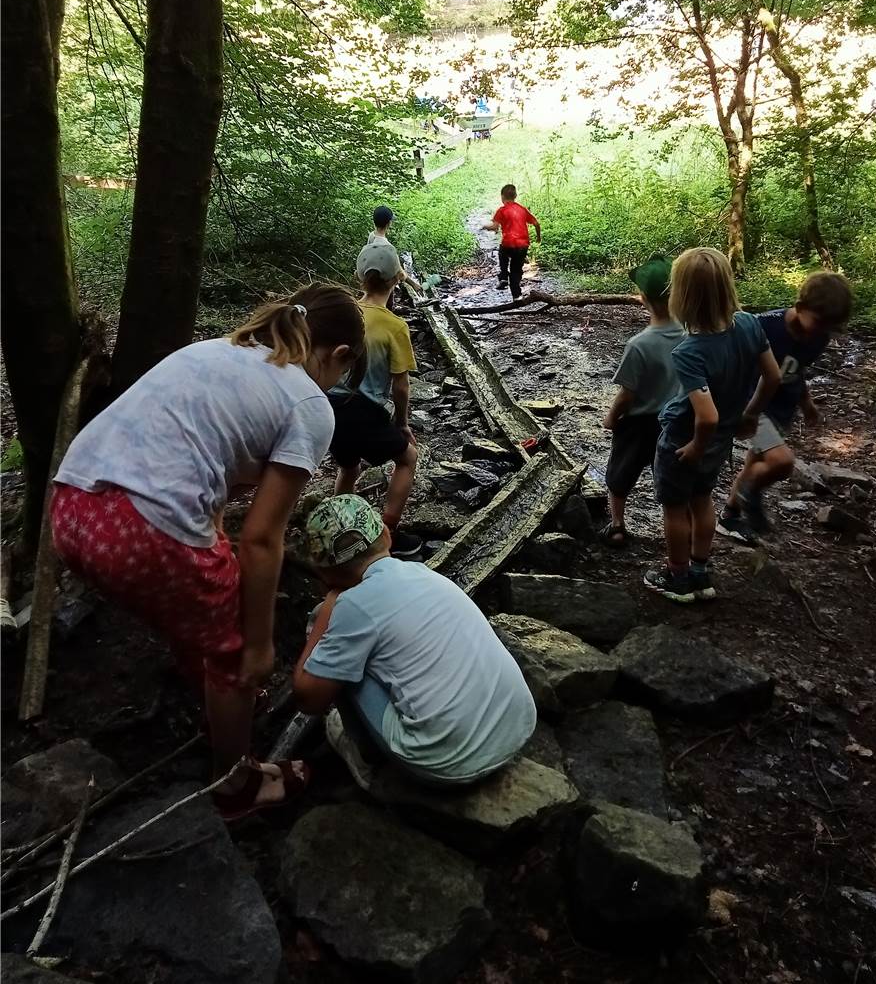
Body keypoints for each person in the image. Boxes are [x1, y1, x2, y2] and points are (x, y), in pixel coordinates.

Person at [50, 285, 366, 820]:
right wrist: (260, 648)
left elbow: (207, 477)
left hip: (72, 507)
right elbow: (263, 540)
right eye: (342, 372)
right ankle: (235, 786)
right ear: (338, 356)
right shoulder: (311, 405)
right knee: (236, 649)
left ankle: (209, 689)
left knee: (205, 580)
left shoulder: (218, 350)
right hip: (145, 535)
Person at [292, 495, 537, 788]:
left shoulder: (351, 606)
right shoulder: (422, 573)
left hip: (447, 761)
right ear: (386, 536)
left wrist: (328, 611)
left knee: (334, 647)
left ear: (322, 572)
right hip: (519, 723)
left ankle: (365, 757)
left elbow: (308, 699)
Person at [647, 248, 781, 604]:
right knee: (703, 499)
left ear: (681, 296)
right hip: (722, 439)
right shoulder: (750, 324)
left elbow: (706, 416)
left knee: (675, 507)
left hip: (685, 438)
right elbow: (773, 375)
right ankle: (700, 571)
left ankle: (677, 577)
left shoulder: (689, 351)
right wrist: (751, 414)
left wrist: (694, 446)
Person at [717, 271, 853, 544]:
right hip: (752, 405)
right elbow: (730, 355)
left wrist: (807, 403)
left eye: (830, 326)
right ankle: (747, 493)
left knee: (756, 462)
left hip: (782, 406)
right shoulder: (764, 325)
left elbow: (796, 369)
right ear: (801, 308)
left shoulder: (819, 338)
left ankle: (729, 516)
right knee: (781, 462)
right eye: (820, 322)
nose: (823, 330)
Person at [328, 242, 422, 557]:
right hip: (364, 411)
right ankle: (389, 531)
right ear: (398, 278)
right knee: (407, 458)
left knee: (349, 466)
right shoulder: (394, 326)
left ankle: (340, 530)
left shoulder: (344, 314)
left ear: (358, 277)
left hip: (329, 408)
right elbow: (401, 386)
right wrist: (402, 423)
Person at [602, 255, 684, 546]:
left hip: (639, 423)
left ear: (642, 298)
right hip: (676, 422)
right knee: (668, 477)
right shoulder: (688, 336)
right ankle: (676, 527)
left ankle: (618, 524)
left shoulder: (639, 345)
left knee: (620, 473)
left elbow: (627, 394)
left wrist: (611, 417)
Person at [487, 184, 541, 300]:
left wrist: (484, 227)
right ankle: (517, 296)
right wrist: (538, 237)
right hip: (522, 245)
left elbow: (494, 227)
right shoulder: (522, 209)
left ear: (502, 197)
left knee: (503, 257)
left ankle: (503, 278)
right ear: (515, 195)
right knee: (516, 270)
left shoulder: (502, 211)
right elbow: (536, 223)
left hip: (508, 244)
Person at [366, 205, 422, 299]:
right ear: (389, 223)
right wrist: (413, 284)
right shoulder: (388, 247)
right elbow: (399, 272)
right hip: (384, 288)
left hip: (370, 284)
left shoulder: (371, 236)